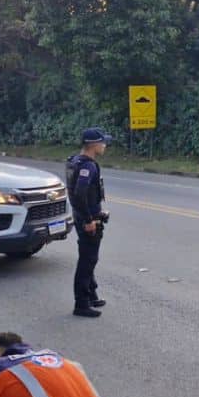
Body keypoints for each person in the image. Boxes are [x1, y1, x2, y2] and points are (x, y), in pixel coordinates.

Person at [66, 128, 112, 318]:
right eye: (102, 142)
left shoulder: (74, 160)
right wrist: (89, 220)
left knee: (89, 257)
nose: (105, 146)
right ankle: (81, 304)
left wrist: (96, 212)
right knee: (87, 261)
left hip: (83, 216)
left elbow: (82, 195)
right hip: (87, 221)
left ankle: (91, 294)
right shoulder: (88, 166)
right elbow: (79, 194)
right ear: (93, 145)